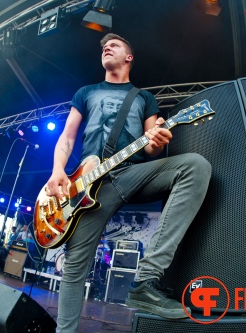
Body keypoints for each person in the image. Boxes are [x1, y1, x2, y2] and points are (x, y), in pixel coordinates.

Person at [43, 33, 211, 331]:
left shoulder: (144, 98)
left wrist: (158, 140)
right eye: (104, 47)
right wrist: (58, 169)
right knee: (74, 268)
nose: (106, 48)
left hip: (133, 174)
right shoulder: (87, 92)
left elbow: (150, 146)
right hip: (87, 184)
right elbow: (67, 137)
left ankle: (146, 280)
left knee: (195, 166)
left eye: (114, 45)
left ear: (128, 57)